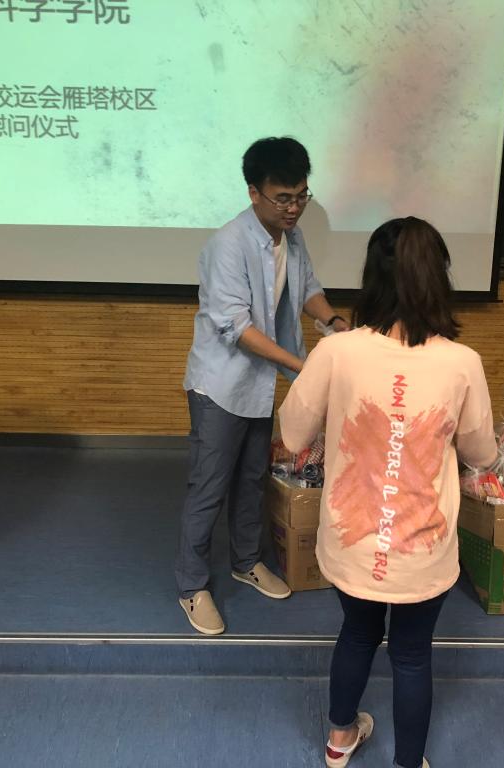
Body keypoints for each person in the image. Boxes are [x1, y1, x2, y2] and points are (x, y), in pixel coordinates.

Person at [279, 217, 498, 768]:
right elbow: (482, 454)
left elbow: (292, 434)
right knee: (412, 655)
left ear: (371, 278)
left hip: (353, 542)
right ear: (438, 278)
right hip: (422, 550)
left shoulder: (337, 352)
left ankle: (339, 739)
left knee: (357, 633)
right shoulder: (462, 363)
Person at [176, 137, 350, 636]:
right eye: (283, 198)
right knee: (210, 486)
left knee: (253, 477)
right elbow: (237, 327)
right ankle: (191, 587)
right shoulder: (228, 244)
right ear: (254, 193)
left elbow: (308, 289)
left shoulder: (291, 238)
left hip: (257, 384)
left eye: (301, 196)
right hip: (219, 386)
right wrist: (303, 366)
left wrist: (335, 323)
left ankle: (246, 561)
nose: (293, 208)